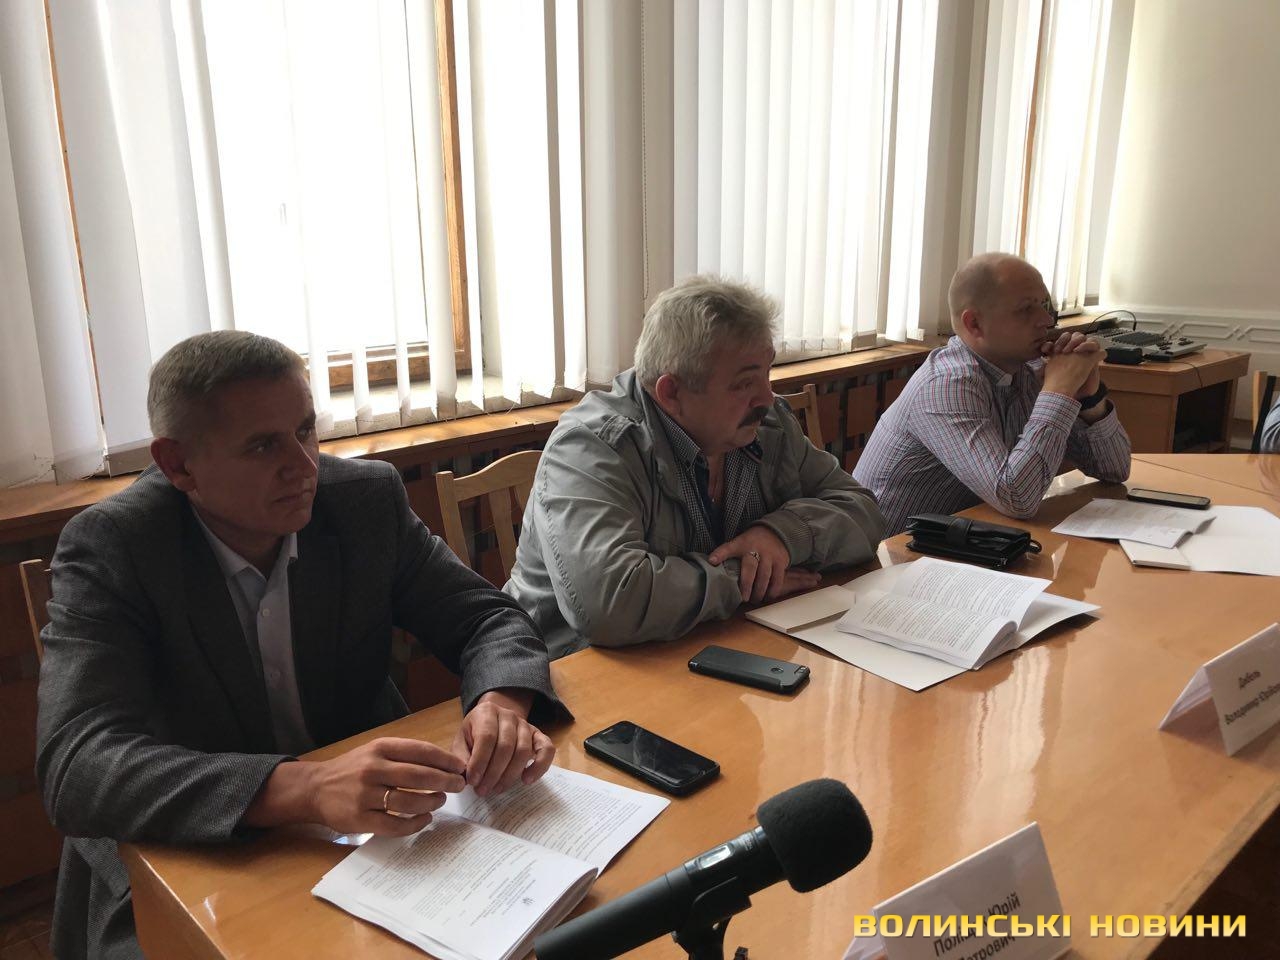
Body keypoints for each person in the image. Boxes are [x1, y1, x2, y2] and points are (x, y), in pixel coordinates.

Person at [36, 331, 566, 960]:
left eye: (306, 430)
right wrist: (306, 788)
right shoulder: (116, 547)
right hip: (192, 851)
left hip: (371, 838)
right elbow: (77, 762)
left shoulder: (364, 502)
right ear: (178, 465)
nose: (305, 465)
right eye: (263, 446)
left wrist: (499, 705)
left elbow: (485, 618)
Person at [504, 275, 885, 659]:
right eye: (744, 383)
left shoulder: (768, 426)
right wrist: (744, 575)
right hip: (569, 671)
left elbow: (864, 511)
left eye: (767, 372)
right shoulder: (592, 447)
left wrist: (782, 536)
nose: (767, 397)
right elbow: (610, 603)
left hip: (708, 647)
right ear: (672, 393)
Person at [853, 253, 1132, 536]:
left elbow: (1115, 470)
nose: (1046, 320)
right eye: (1026, 309)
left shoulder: (1030, 368)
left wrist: (1089, 398)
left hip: (968, 542)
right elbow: (1018, 498)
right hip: (887, 555)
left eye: (1045, 305)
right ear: (974, 324)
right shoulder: (947, 385)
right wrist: (1059, 391)